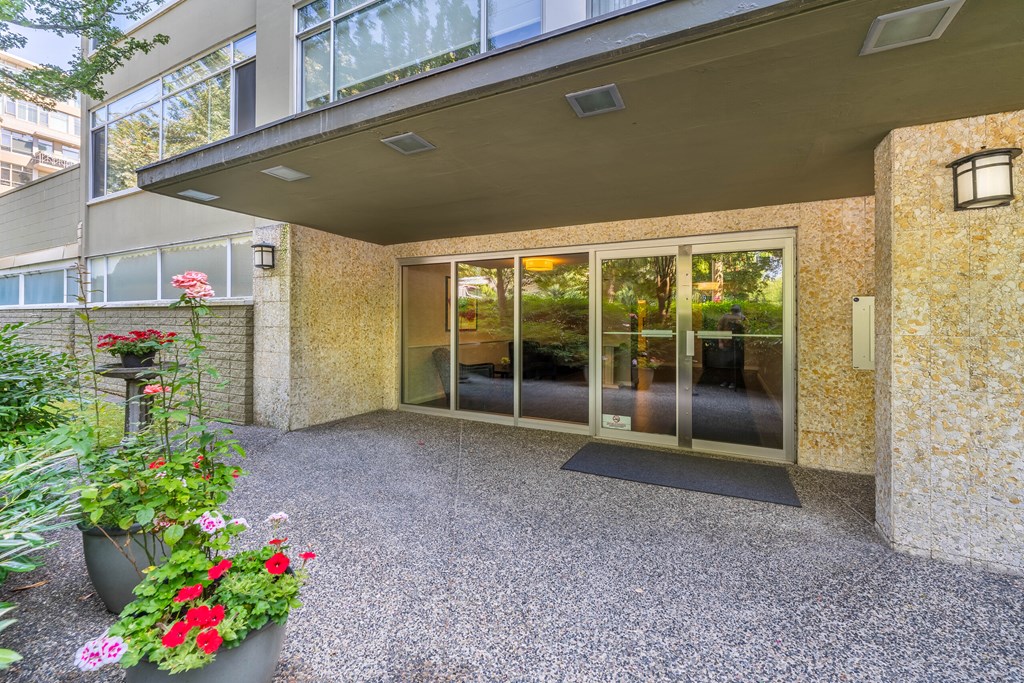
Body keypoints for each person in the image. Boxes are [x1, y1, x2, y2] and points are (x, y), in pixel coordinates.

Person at [717, 304, 746, 390]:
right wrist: (720, 342)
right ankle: (726, 380)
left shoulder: (742, 318)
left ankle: (734, 382)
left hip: (737, 344)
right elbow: (719, 329)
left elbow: (746, 330)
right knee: (725, 363)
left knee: (736, 364)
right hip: (726, 343)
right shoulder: (725, 317)